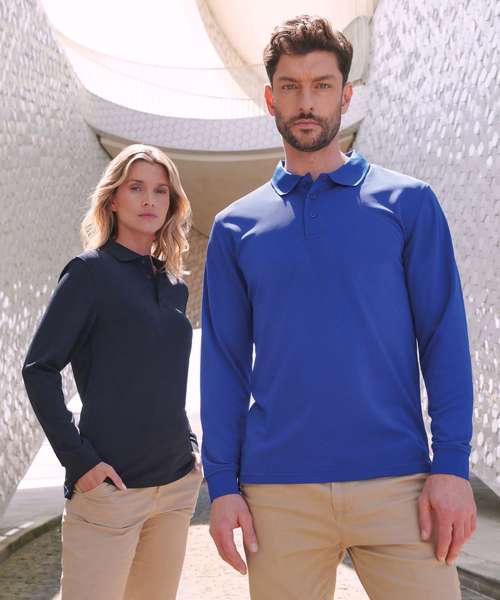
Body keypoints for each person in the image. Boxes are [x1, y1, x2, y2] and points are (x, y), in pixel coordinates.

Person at [200, 15, 476, 600]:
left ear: (346, 96)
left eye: (322, 85)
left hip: (401, 486)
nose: (307, 102)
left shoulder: (409, 203)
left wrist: (451, 466)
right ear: (270, 99)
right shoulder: (233, 227)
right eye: (292, 86)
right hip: (278, 494)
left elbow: (444, 339)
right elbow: (224, 365)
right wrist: (222, 485)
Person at [21, 144, 203, 600]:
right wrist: (79, 461)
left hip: (175, 487)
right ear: (113, 199)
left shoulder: (172, 285)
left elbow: (161, 380)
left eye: (160, 191)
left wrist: (189, 444)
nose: (149, 200)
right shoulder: (89, 273)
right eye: (136, 188)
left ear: (172, 204)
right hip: (110, 492)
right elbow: (39, 368)